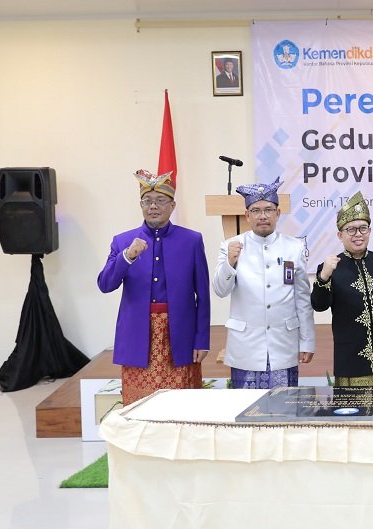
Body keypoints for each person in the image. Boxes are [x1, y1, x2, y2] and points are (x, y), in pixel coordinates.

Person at [97, 170, 210, 405]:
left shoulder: (191, 240)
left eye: (160, 200)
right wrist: (127, 257)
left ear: (172, 205)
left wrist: (201, 339)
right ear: (140, 205)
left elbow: (203, 295)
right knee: (140, 406)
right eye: (147, 201)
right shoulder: (123, 241)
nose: (153, 206)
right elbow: (105, 284)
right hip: (139, 333)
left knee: (181, 405)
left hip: (179, 334)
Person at [212, 177, 315, 389]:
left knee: (284, 411)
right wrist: (230, 263)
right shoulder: (231, 246)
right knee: (246, 412)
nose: (263, 216)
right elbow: (220, 290)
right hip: (245, 346)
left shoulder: (294, 248)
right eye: (256, 210)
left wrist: (307, 341)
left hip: (284, 344)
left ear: (278, 213)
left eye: (268, 209)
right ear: (247, 215)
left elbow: (303, 298)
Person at [310, 191, 373, 386]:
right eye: (351, 229)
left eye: (362, 228)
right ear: (340, 235)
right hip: (350, 362)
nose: (358, 234)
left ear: (370, 230)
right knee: (352, 415)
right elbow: (319, 305)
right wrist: (324, 277)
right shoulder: (330, 268)